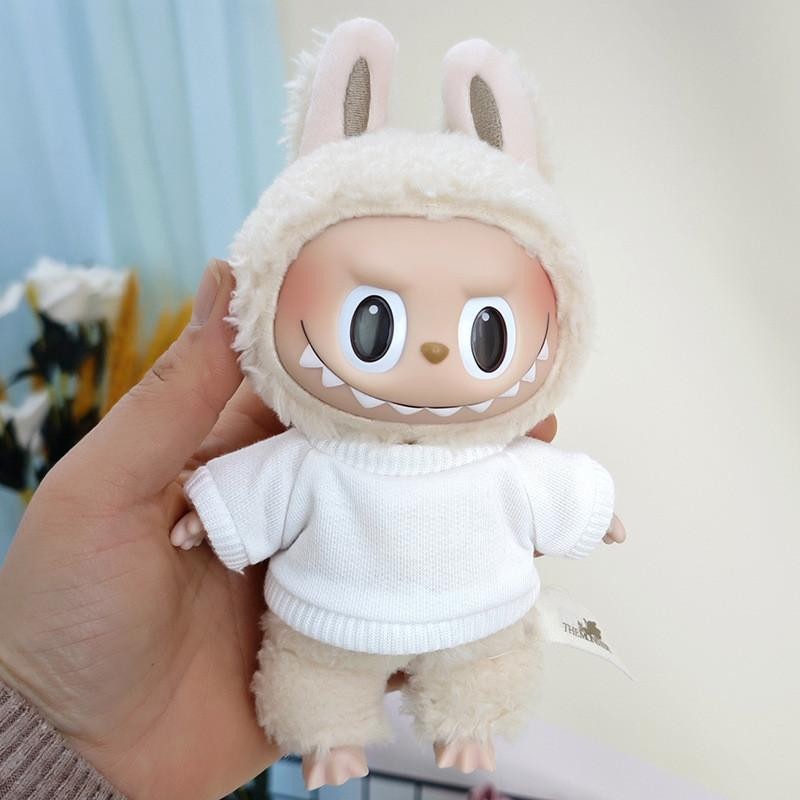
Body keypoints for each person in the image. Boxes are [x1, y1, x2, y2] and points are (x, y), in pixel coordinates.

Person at [0, 261, 573, 799]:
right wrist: (210, 515)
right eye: (375, 320)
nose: (433, 350)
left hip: (471, 605)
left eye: (485, 329)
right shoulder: (314, 454)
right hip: (327, 608)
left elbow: (558, 486)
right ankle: (329, 741)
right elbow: (260, 488)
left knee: (482, 664)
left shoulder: (498, 460)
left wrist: (592, 514)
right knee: (317, 677)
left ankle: (468, 728)